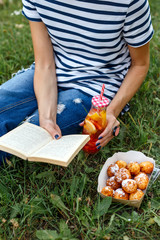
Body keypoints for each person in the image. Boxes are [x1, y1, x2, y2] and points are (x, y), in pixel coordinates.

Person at [0, 0, 154, 163]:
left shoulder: (128, 2)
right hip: (49, 70)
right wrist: (47, 118)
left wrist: (111, 111)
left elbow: (140, 64)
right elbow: (45, 64)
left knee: (31, 138)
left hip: (98, 87)